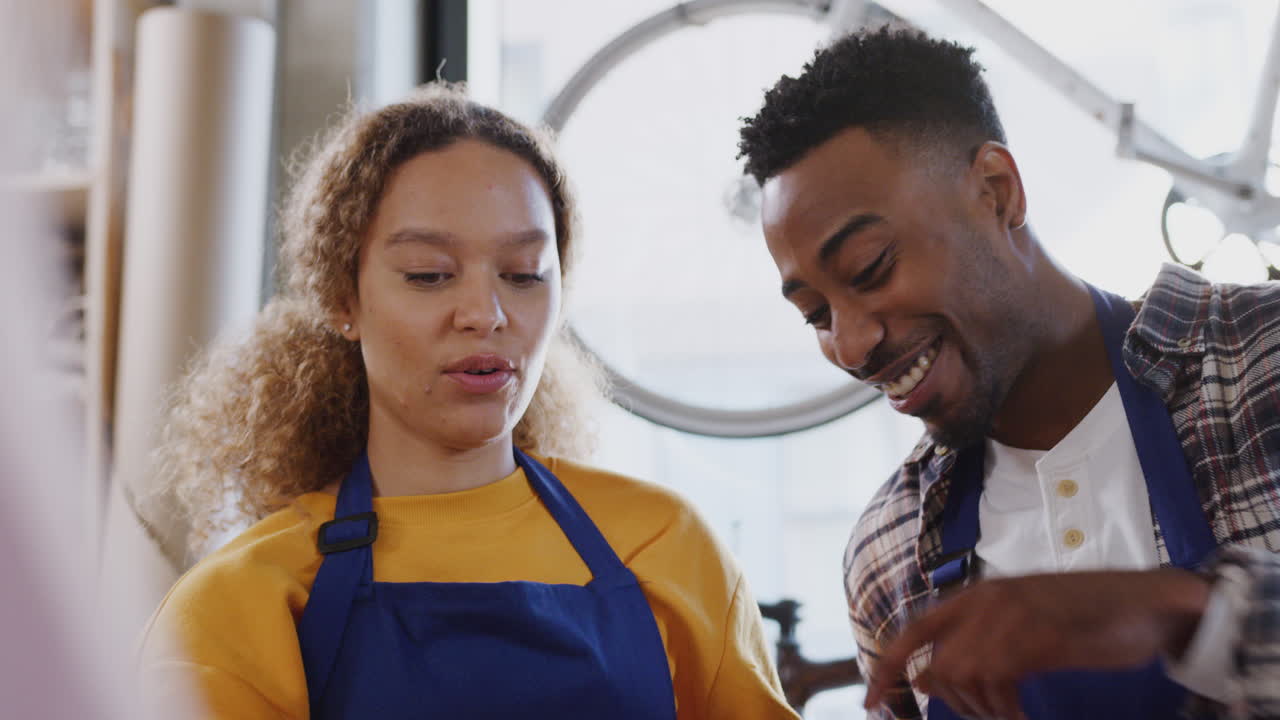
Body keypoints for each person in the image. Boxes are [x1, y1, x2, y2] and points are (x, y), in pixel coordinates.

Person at [138, 84, 798, 720]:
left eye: (523, 275)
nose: (486, 314)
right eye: (429, 275)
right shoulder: (242, 602)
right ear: (343, 299)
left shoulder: (665, 545)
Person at [737, 26, 1280, 720]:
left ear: (996, 192)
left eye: (870, 269)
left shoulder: (1261, 364)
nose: (851, 345)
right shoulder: (888, 552)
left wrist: (1193, 615)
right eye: (816, 314)